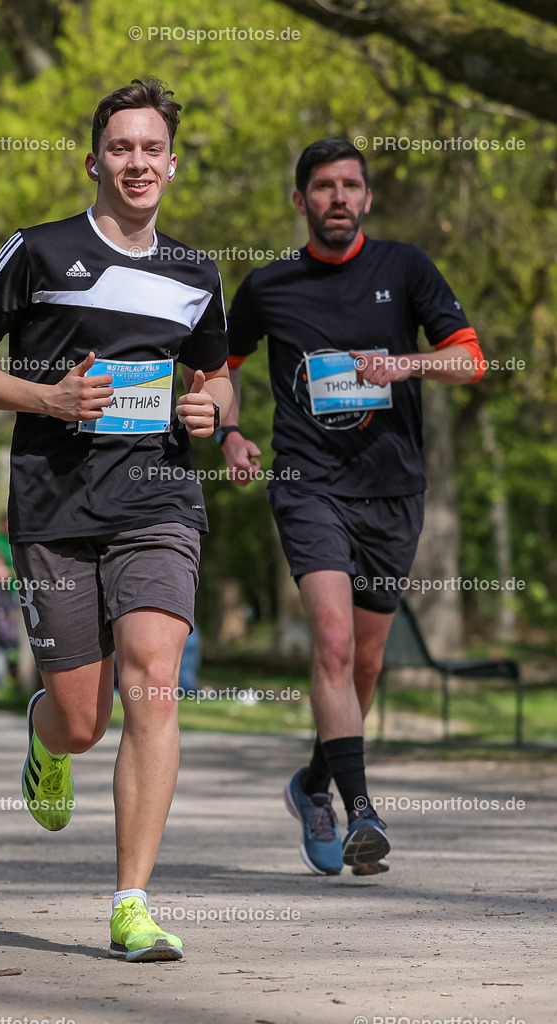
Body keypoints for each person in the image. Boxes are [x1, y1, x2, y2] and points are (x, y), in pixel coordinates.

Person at [0, 78, 232, 961]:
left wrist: (210, 406)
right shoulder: (38, 251)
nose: (136, 163)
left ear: (170, 165)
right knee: (82, 721)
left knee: (154, 678)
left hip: (158, 503)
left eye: (151, 150)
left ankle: (131, 903)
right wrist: (48, 396)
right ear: (95, 159)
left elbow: (216, 373)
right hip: (56, 508)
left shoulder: (194, 272)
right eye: (120, 149)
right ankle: (46, 735)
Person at [219, 138, 485, 877]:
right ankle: (361, 810)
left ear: (366, 199)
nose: (337, 197)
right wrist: (233, 432)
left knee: (364, 662)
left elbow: (468, 358)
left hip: (392, 491)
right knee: (332, 644)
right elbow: (218, 367)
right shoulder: (268, 286)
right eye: (323, 187)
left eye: (350, 186)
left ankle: (312, 784)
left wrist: (408, 362)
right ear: (299, 200)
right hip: (308, 485)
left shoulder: (404, 268)